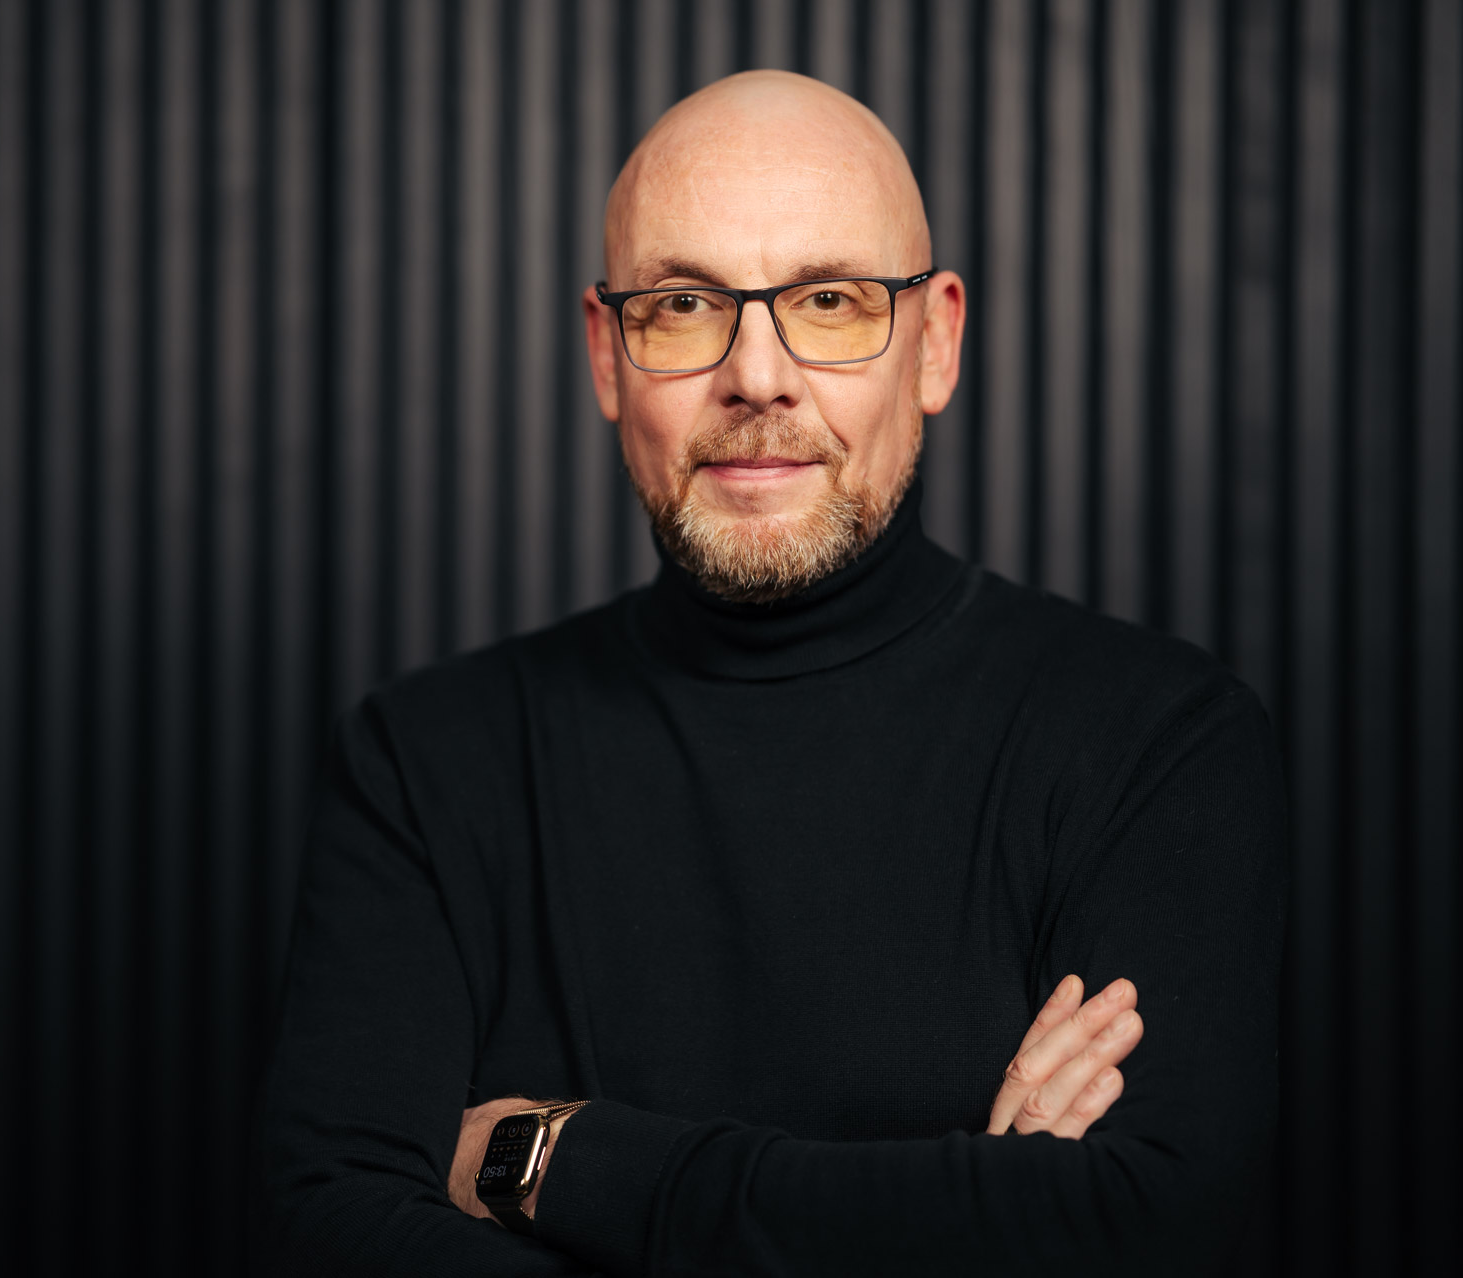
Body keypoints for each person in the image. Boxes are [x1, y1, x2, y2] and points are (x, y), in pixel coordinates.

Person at [254, 70, 1285, 1276]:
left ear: (936, 344)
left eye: (831, 301)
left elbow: (1146, 1222)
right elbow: (328, 1232)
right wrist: (966, 1213)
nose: (757, 376)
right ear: (607, 355)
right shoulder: (423, 762)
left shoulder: (1155, 742)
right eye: (684, 304)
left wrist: (558, 1161)